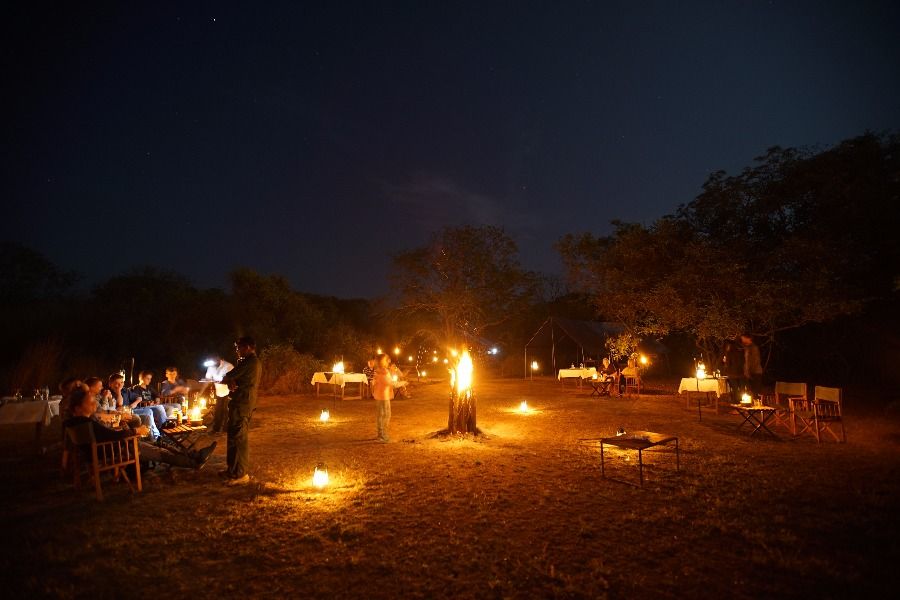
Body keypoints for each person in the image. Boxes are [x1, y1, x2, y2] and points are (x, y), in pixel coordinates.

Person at [64, 388, 216, 471]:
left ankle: (194, 455)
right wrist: (135, 432)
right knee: (159, 451)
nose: (94, 405)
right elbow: (112, 436)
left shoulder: (72, 423)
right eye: (90, 403)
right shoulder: (87, 423)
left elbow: (107, 436)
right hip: (116, 450)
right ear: (78, 408)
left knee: (158, 445)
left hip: (112, 448)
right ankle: (194, 462)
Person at [219, 337, 261, 485]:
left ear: (248, 347)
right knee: (233, 437)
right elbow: (234, 379)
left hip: (243, 404)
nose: (237, 351)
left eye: (239, 348)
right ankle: (232, 470)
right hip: (239, 403)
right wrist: (232, 382)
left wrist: (229, 380)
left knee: (239, 439)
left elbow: (229, 376)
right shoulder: (247, 362)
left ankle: (240, 474)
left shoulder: (250, 362)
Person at [205, 354, 234, 434]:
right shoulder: (211, 366)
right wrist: (208, 380)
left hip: (228, 392)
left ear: (218, 359)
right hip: (219, 392)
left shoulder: (228, 366)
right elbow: (208, 377)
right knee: (218, 411)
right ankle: (216, 429)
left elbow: (232, 379)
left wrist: (221, 381)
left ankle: (226, 429)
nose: (211, 364)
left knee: (226, 411)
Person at [372, 353, 394, 443]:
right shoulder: (384, 372)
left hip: (378, 396)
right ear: (383, 362)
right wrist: (403, 383)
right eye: (386, 360)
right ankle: (383, 436)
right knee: (386, 415)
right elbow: (390, 383)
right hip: (384, 397)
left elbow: (375, 383)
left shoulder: (377, 371)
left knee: (380, 416)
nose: (388, 361)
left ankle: (380, 434)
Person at [741, 333, 763, 399]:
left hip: (755, 372)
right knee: (750, 391)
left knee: (755, 391)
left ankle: (757, 406)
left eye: (743, 338)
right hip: (749, 373)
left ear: (748, 338)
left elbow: (756, 360)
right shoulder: (746, 347)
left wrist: (749, 371)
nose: (742, 340)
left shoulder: (754, 347)